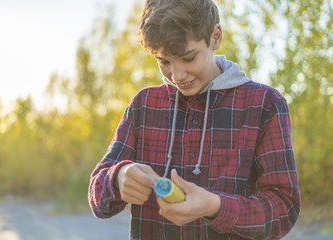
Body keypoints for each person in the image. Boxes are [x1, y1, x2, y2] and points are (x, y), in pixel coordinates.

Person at [88, 0, 301, 239]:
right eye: (164, 61)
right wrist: (118, 177)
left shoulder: (264, 104)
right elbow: (98, 197)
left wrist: (216, 207)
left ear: (215, 37)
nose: (177, 75)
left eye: (188, 58)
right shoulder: (144, 105)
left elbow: (285, 208)